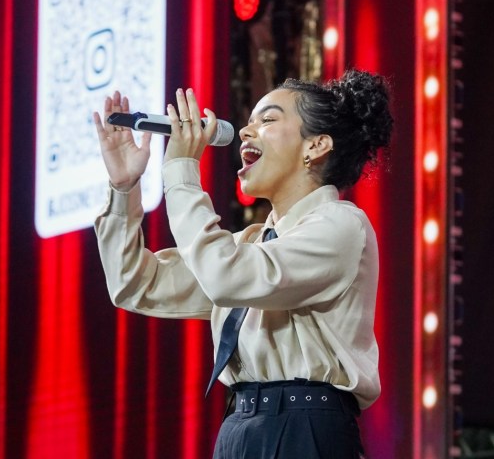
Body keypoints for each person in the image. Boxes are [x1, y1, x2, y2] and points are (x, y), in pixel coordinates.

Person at [92, 69, 394, 458]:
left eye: (267, 120)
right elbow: (134, 284)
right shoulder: (249, 246)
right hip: (240, 426)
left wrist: (181, 171)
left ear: (316, 146)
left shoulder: (341, 225)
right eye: (249, 121)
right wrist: (123, 188)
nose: (245, 133)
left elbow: (225, 277)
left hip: (306, 429)